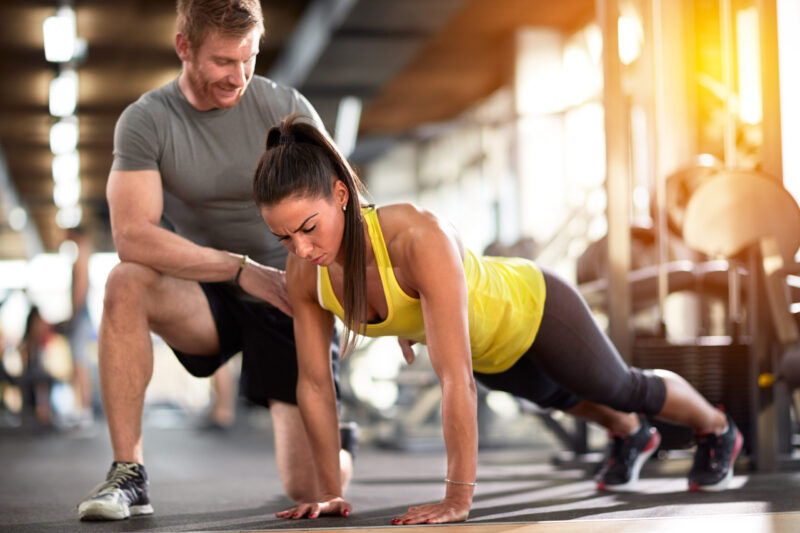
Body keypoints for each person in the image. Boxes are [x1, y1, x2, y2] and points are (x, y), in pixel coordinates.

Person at [251, 115, 744, 525]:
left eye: (309, 228)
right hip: (489, 348)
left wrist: (457, 497)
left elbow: (453, 378)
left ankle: (717, 428)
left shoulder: (417, 237)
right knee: (559, 397)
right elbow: (315, 385)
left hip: (533, 306)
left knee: (620, 386)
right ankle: (631, 434)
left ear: (340, 194)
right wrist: (330, 491)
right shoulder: (305, 273)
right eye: (285, 238)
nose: (303, 248)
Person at [77, 0, 354, 521]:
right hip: (210, 289)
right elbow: (133, 236)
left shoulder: (283, 107)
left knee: (311, 486)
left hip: (289, 291)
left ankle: (340, 440)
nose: (239, 75)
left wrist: (376, 297)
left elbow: (346, 207)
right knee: (125, 282)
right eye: (224, 61)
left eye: (248, 58)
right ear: (184, 47)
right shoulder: (147, 121)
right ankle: (129, 472)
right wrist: (241, 270)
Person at [64, 227, 96, 428]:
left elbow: (80, 290)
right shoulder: (83, 255)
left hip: (81, 317)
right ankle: (83, 409)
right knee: (78, 364)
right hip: (81, 317)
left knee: (80, 364)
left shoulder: (82, 256)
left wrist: (73, 317)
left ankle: (85, 411)